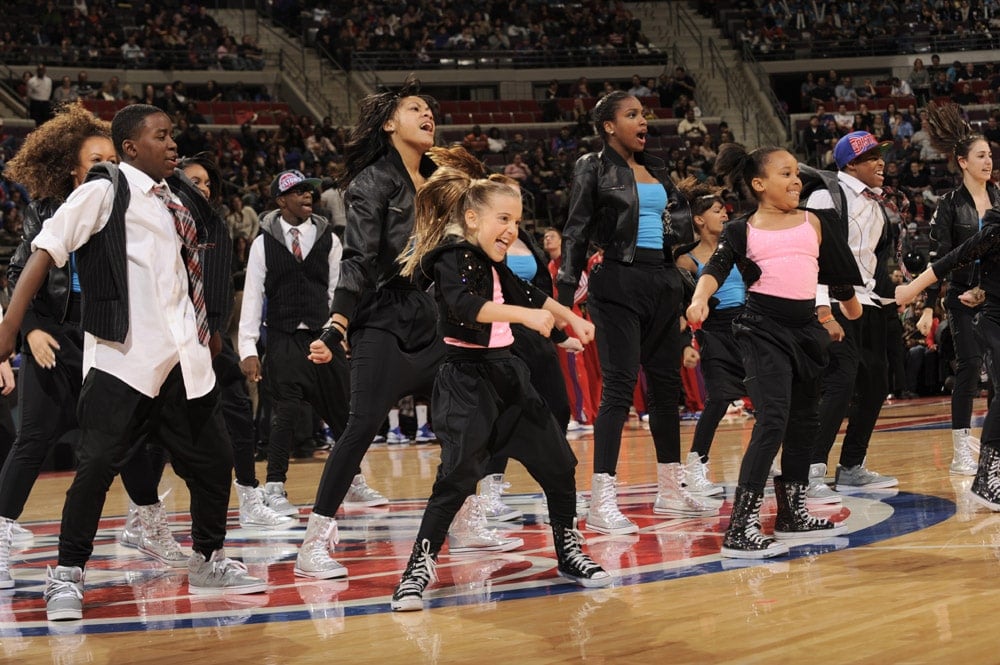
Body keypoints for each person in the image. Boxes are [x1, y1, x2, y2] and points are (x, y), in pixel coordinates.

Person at [0, 104, 266, 621]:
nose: (172, 145)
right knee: (95, 468)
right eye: (161, 137)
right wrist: (12, 327)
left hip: (183, 362)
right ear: (129, 149)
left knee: (213, 464)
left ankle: (209, 558)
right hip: (124, 360)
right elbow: (44, 250)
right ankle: (67, 573)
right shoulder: (104, 189)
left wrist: (208, 330)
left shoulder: (179, 196)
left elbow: (200, 263)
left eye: (173, 136)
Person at [389, 167, 611, 611]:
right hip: (466, 380)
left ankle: (568, 550)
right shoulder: (451, 257)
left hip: (509, 374)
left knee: (558, 465)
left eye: (515, 221)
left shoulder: (492, 261)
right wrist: (524, 318)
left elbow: (527, 293)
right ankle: (418, 567)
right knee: (455, 479)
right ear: (472, 218)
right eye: (503, 220)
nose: (511, 230)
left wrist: (571, 318)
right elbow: (466, 306)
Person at [0, 103, 190, 589]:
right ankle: (1, 533)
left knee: (125, 443)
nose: (108, 167)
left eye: (112, 157)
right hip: (57, 340)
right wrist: (30, 330)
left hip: (109, 337)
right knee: (34, 438)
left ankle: (147, 526)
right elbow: (22, 273)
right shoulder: (48, 210)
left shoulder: (133, 203)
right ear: (73, 170)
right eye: (95, 159)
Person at [293, 80, 453, 580]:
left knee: (465, 419)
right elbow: (359, 259)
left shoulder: (441, 181)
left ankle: (465, 519)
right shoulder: (372, 182)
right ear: (389, 123)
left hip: (433, 317)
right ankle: (314, 543)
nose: (427, 112)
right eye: (414, 107)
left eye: (430, 107)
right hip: (382, 318)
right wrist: (338, 322)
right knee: (360, 428)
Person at [688, 143, 862, 558]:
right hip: (760, 329)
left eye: (796, 173)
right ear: (759, 184)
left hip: (806, 330)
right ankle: (741, 526)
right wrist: (699, 298)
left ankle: (792, 513)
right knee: (773, 420)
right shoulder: (740, 230)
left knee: (804, 421)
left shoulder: (817, 222)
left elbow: (839, 277)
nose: (796, 180)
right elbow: (715, 269)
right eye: (785, 173)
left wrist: (851, 311)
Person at [556, 91, 711, 536]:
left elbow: (675, 236)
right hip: (618, 280)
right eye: (631, 115)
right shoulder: (593, 166)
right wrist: (565, 302)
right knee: (620, 388)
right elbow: (576, 233)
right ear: (608, 126)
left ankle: (669, 488)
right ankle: (602, 500)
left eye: (643, 114)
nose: (643, 121)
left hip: (661, 281)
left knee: (666, 390)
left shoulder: (658, 169)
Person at [238, 169, 361, 522]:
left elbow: (338, 291)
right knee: (284, 415)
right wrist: (248, 347)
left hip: (324, 336)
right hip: (282, 336)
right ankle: (274, 486)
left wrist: (341, 333)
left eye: (310, 191)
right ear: (281, 201)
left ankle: (353, 480)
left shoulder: (330, 239)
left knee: (345, 411)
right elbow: (253, 295)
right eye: (298, 192)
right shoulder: (263, 243)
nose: (308, 196)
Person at [178, 154, 293, 531]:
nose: (204, 187)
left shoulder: (215, 226)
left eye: (208, 182)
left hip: (208, 335)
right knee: (152, 431)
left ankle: (247, 494)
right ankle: (143, 513)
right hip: (170, 337)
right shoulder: (162, 222)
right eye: (195, 181)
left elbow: (222, 287)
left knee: (240, 412)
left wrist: (214, 329)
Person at [803, 131, 901, 505]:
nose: (881, 162)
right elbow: (813, 255)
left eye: (881, 155)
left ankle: (852, 466)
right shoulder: (826, 195)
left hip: (869, 303)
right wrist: (822, 307)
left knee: (877, 385)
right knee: (840, 385)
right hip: (834, 302)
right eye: (871, 156)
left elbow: (872, 259)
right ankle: (811, 469)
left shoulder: (877, 203)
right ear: (849, 164)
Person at [896, 209, 1000, 510]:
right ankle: (985, 480)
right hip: (995, 320)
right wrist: (912, 290)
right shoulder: (995, 230)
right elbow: (951, 260)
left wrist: (982, 288)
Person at [919, 102, 999, 474]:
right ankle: (960, 450)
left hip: (995, 297)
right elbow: (940, 257)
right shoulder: (949, 204)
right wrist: (925, 307)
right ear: (963, 162)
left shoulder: (999, 199)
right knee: (968, 366)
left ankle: (992, 449)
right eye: (980, 155)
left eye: (990, 155)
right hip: (961, 298)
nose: (988, 161)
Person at [673, 177, 742, 497]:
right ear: (699, 219)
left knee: (771, 396)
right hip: (716, 332)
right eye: (717, 211)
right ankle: (695, 466)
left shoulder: (739, 248)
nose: (725, 215)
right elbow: (680, 309)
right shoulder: (686, 260)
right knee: (719, 398)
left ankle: (765, 458)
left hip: (750, 327)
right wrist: (686, 345)